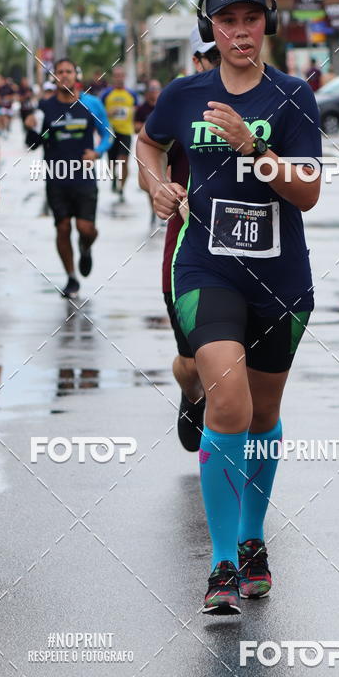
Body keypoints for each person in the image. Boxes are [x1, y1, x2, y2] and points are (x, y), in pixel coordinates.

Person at [137, 0, 321, 615]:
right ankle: (219, 564)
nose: (240, 31)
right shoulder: (185, 93)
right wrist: (155, 185)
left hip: (281, 276)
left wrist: (254, 147)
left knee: (264, 415)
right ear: (209, 30)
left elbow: (307, 192)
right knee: (230, 403)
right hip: (205, 268)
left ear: (266, 25)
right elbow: (148, 142)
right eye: (228, 21)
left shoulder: (293, 95)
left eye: (251, 19)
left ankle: (250, 538)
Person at [139, 32, 220, 452]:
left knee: (238, 371)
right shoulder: (181, 100)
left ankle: (234, 483)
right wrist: (159, 188)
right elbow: (147, 154)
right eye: (209, 56)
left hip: (250, 258)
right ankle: (192, 394)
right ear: (196, 59)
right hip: (188, 252)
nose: (218, 61)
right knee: (192, 364)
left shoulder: (267, 97)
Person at [24, 57, 112, 299]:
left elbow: (107, 134)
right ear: (54, 78)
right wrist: (30, 127)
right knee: (62, 228)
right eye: (59, 72)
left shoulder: (91, 104)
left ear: (77, 76)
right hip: (56, 177)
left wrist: (98, 152)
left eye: (68, 71)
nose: (64, 75)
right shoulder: (45, 107)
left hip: (84, 177)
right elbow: (33, 144)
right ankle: (72, 278)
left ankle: (85, 247)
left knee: (86, 228)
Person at [101, 66, 138, 201]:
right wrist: (108, 113)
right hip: (110, 132)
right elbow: (100, 113)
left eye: (121, 75)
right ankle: (114, 177)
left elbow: (135, 111)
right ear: (113, 77)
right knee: (112, 162)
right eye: (116, 75)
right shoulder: (106, 94)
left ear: (125, 76)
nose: (119, 78)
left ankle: (121, 188)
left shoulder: (132, 94)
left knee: (123, 161)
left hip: (126, 132)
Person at [135, 80, 163, 225]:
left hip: (166, 150)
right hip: (146, 149)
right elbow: (135, 127)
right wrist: (147, 128)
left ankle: (166, 213)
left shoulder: (165, 106)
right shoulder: (142, 109)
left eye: (156, 88)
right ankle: (153, 209)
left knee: (165, 181)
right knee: (148, 182)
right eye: (151, 89)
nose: (154, 91)